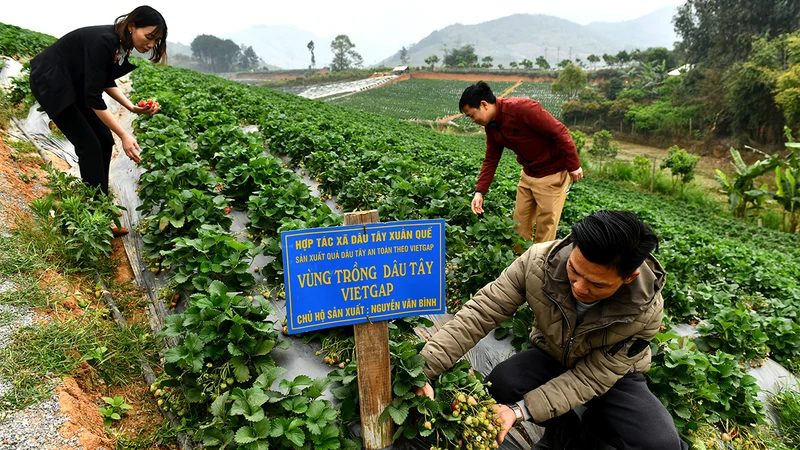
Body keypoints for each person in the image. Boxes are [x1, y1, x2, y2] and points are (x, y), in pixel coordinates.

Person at [415, 210, 688, 450]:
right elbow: (480, 313)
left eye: (597, 284)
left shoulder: (645, 309)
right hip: (552, 353)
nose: (579, 288)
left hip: (612, 376)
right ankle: (565, 434)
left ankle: (595, 431)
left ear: (629, 277)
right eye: (574, 270)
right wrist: (423, 370)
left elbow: (590, 378)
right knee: (502, 382)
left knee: (660, 443)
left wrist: (518, 412)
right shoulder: (538, 263)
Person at [29, 6, 167, 234]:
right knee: (89, 144)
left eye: (156, 40)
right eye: (149, 37)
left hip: (74, 83)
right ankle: (98, 216)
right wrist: (123, 134)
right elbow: (93, 98)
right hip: (52, 82)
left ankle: (99, 202)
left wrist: (131, 107)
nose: (151, 45)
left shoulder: (121, 44)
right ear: (132, 26)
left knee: (103, 140)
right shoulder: (104, 41)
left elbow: (104, 80)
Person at [461, 81, 583, 244]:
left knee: (545, 230)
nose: (472, 120)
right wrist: (479, 191)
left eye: (471, 115)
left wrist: (573, 165)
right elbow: (491, 159)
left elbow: (559, 131)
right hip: (528, 174)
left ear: (484, 105)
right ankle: (519, 264)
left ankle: (540, 267)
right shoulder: (491, 126)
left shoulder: (523, 109)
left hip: (552, 174)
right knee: (519, 226)